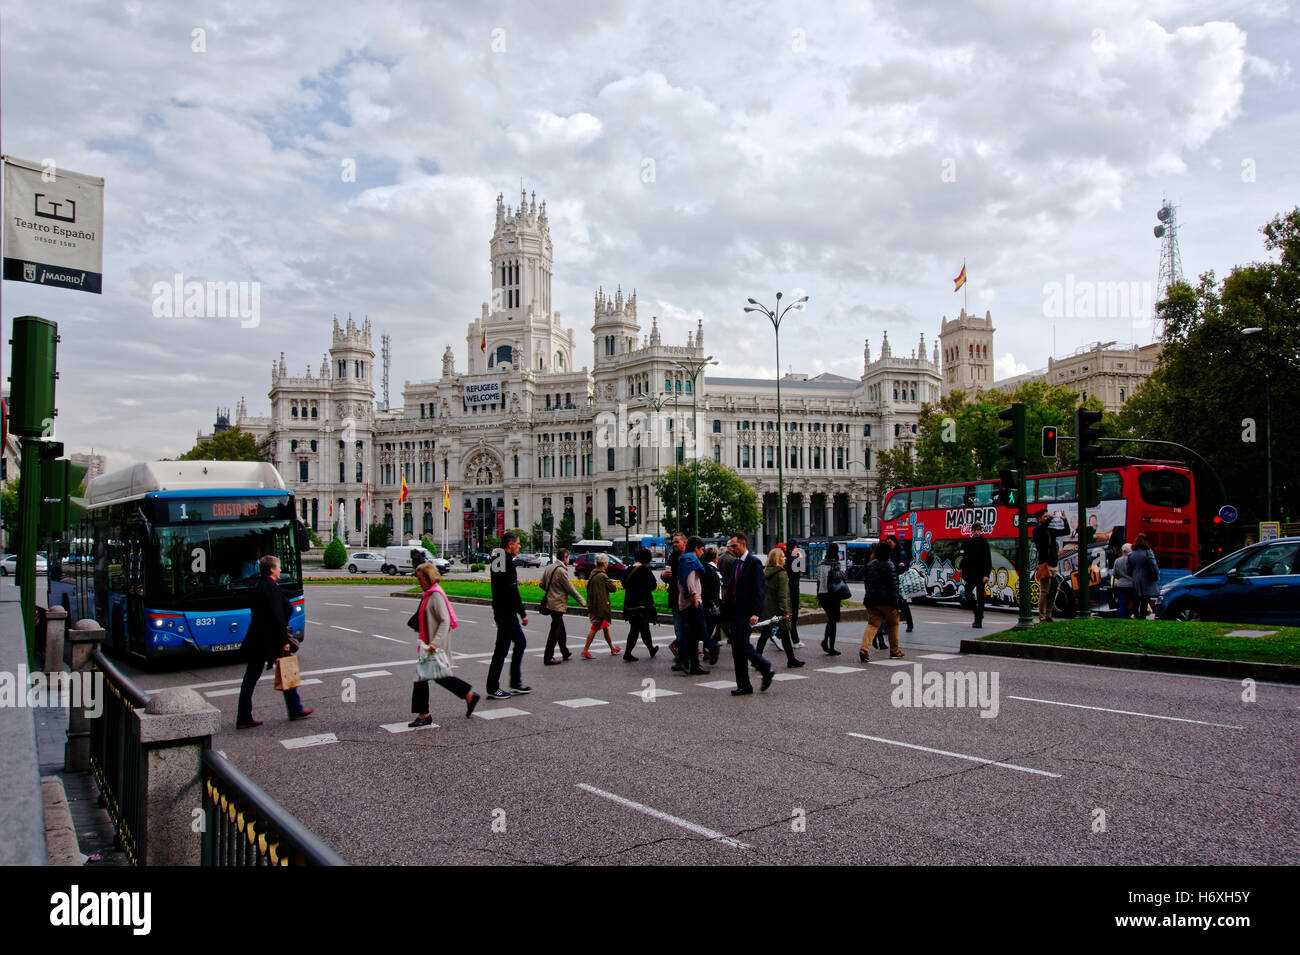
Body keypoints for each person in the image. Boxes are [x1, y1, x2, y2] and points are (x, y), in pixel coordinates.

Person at [236, 555, 313, 728]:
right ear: (271, 569)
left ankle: (294, 708)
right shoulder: (269, 587)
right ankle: (244, 717)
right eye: (278, 567)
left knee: (282, 669)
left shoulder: (263, 585)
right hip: (267, 639)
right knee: (253, 677)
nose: (280, 569)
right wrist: (283, 640)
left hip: (261, 638)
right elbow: (276, 615)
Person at [409, 562, 480, 725]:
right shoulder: (428, 594)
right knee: (431, 677)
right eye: (418, 579)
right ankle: (468, 696)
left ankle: (425, 715)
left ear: (429, 578)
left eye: (421, 579)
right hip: (429, 642)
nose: (418, 582)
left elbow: (445, 620)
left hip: (434, 643)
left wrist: (435, 642)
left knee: (430, 677)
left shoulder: (435, 595)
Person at [723, 532, 774, 695]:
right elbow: (732, 588)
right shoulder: (735, 564)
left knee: (741, 645)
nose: (731, 549)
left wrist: (756, 613)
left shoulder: (754, 563)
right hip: (734, 612)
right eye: (730, 546)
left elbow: (760, 590)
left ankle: (765, 668)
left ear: (743, 544)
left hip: (747, 612)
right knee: (737, 649)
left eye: (734, 546)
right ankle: (744, 685)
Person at [486, 531, 529, 699]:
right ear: (510, 545)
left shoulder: (498, 557)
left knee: (520, 643)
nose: (519, 546)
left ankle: (516, 682)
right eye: (518, 543)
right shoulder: (507, 562)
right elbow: (512, 590)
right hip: (506, 612)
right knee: (502, 649)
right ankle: (493, 687)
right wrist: (523, 613)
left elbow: (499, 587)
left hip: (501, 610)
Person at [671, 537, 711, 675]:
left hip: (685, 601)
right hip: (691, 602)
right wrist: (694, 597)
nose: (703, 552)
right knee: (696, 632)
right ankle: (686, 660)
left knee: (691, 634)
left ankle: (689, 662)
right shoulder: (690, 560)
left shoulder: (684, 559)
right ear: (696, 549)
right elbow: (689, 579)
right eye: (701, 549)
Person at [758, 546, 803, 667]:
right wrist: (785, 611)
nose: (785, 559)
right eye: (782, 557)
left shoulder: (766, 571)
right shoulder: (781, 573)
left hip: (768, 607)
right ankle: (791, 659)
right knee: (784, 632)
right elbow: (783, 595)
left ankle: (757, 658)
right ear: (777, 559)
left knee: (767, 633)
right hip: (779, 609)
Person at [860, 540, 903, 661]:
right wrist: (896, 605)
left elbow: (867, 583)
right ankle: (894, 651)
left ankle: (864, 648)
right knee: (893, 624)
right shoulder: (889, 565)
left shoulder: (871, 564)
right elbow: (893, 586)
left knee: (872, 624)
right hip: (887, 601)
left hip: (871, 600)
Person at [540, 548, 584, 664]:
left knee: (560, 629)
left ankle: (565, 651)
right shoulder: (561, 571)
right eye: (568, 557)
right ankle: (548, 657)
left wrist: (551, 591)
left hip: (550, 603)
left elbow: (541, 584)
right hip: (557, 604)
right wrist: (582, 601)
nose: (569, 559)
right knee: (555, 631)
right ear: (565, 558)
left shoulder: (549, 567)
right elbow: (570, 589)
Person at [1033, 509, 1071, 622]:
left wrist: (1065, 520)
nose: (1047, 518)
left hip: (1054, 565)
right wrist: (1050, 518)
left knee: (1053, 591)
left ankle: (1049, 615)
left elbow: (1066, 532)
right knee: (1044, 591)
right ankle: (1042, 616)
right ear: (1039, 519)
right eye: (1045, 517)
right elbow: (1042, 528)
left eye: (1047, 516)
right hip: (1045, 564)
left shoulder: (1051, 531)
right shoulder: (1037, 530)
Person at [621, 548, 660, 661]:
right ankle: (627, 653)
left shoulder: (629, 569)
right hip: (642, 604)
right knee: (636, 629)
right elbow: (653, 585)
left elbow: (624, 583)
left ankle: (651, 649)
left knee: (643, 628)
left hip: (630, 603)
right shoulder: (645, 570)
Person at [580, 555, 621, 657]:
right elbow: (613, 588)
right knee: (595, 627)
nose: (608, 564)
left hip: (594, 604)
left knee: (605, 628)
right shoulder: (602, 576)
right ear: (604, 564)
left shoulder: (593, 574)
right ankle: (585, 650)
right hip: (600, 607)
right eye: (607, 563)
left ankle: (612, 648)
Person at [961, 522, 993, 629]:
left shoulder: (984, 543)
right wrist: (961, 567)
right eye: (974, 530)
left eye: (978, 530)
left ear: (981, 531)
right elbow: (965, 557)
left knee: (980, 597)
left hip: (980, 574)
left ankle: (978, 620)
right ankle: (978, 612)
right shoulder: (969, 542)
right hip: (971, 573)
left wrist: (986, 574)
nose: (976, 532)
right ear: (972, 531)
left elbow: (988, 560)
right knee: (967, 593)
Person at [662, 533, 688, 660]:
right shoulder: (672, 557)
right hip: (676, 596)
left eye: (677, 542)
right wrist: (664, 576)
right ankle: (682, 655)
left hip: (688, 597)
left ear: (684, 543)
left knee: (687, 626)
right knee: (678, 626)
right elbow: (668, 576)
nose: (675, 544)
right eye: (674, 542)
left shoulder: (690, 556)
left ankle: (685, 652)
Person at [816, 542, 845, 655]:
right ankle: (830, 645)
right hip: (833, 594)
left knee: (831, 619)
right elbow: (837, 579)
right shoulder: (835, 564)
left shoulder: (821, 563)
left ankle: (826, 642)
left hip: (823, 594)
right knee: (834, 619)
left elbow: (819, 581)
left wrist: (818, 595)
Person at [701, 546, 724, 663]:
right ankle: (710, 651)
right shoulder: (710, 570)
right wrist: (713, 603)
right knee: (712, 628)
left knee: (712, 628)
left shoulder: (710, 568)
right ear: (714, 557)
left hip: (713, 602)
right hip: (712, 603)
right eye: (717, 556)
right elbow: (708, 589)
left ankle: (709, 650)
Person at [1129, 534, 1160, 619]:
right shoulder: (1148, 552)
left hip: (1135, 579)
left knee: (1136, 600)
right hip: (1146, 579)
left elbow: (1129, 569)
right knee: (1145, 600)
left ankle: (1136, 614)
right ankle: (1142, 616)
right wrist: (1157, 574)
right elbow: (1153, 565)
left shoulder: (1131, 554)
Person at [785, 541, 805, 649]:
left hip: (787, 588)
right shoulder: (793, 559)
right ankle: (781, 636)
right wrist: (800, 556)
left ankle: (795, 639)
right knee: (794, 615)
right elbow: (802, 568)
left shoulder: (785, 556)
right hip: (793, 588)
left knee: (788, 615)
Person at [1112, 542, 1134, 619]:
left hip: (1121, 585)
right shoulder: (1133, 560)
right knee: (1136, 603)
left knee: (1121, 605)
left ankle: (1120, 618)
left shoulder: (1117, 561)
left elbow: (1114, 574)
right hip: (1133, 585)